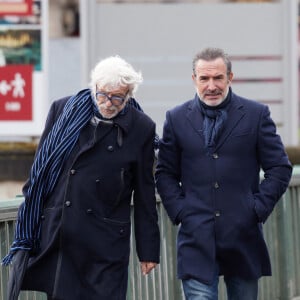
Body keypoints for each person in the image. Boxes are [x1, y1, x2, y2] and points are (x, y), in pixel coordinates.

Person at [2, 55, 160, 300]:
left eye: (117, 97)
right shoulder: (63, 110)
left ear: (129, 96)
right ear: (93, 87)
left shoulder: (142, 128)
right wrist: (32, 222)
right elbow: (40, 170)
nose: (108, 103)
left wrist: (148, 250)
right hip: (63, 232)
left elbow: (144, 193)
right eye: (103, 95)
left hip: (106, 241)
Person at [155, 47, 292, 300]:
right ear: (194, 79)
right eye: (204, 78)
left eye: (218, 78)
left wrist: (257, 208)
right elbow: (164, 173)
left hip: (243, 236)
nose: (211, 86)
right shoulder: (175, 119)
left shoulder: (255, 115)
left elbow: (279, 167)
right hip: (196, 237)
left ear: (230, 77)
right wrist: (181, 211)